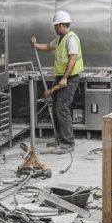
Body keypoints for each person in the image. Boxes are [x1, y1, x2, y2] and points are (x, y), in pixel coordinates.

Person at [31, 10, 84, 152]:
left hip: (69, 78)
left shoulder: (71, 38)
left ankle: (68, 143)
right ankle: (60, 140)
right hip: (60, 77)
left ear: (61, 25)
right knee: (55, 108)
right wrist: (36, 45)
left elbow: (72, 59)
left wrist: (65, 78)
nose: (54, 28)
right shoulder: (61, 38)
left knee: (62, 109)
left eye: (55, 26)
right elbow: (48, 47)